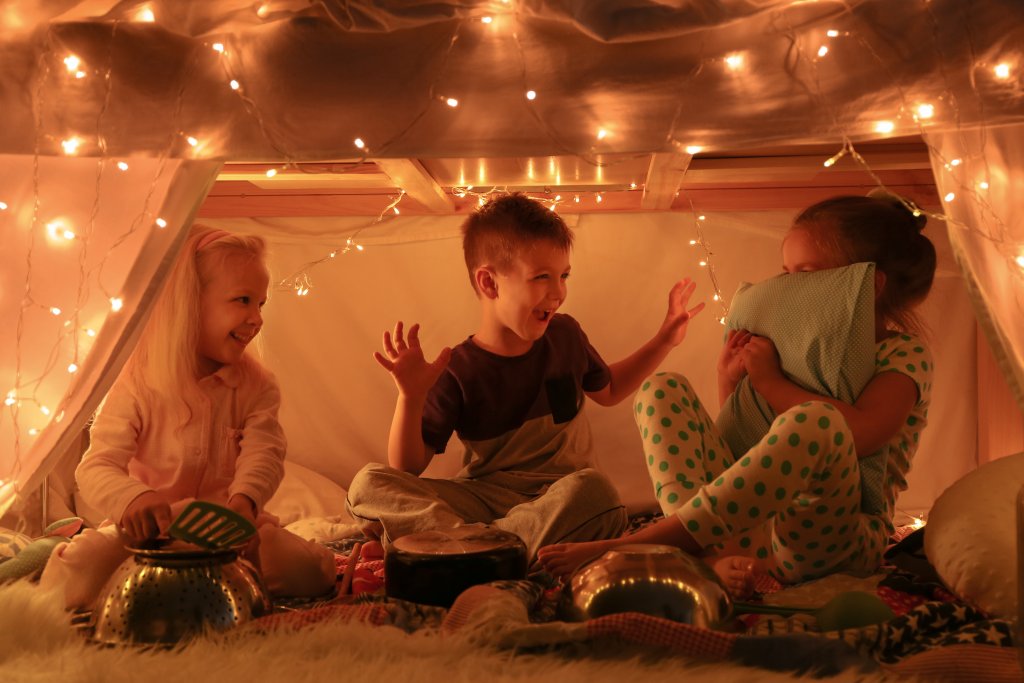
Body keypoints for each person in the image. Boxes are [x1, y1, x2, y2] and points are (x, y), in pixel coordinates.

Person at [538, 193, 937, 595]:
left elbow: (863, 435)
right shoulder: (790, 346)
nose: (787, 287)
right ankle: (704, 553)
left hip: (832, 538)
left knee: (815, 420)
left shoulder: (901, 354)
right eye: (786, 272)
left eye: (806, 273)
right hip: (746, 532)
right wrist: (730, 380)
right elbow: (748, 446)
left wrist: (771, 383)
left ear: (866, 287)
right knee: (661, 388)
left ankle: (648, 542)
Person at [345, 193, 705, 558]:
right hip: (485, 497)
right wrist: (410, 397)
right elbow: (406, 468)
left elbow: (609, 390)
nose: (558, 292)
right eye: (541, 277)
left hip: (561, 495)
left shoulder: (565, 336)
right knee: (368, 485)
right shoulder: (457, 369)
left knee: (599, 496)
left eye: (563, 275)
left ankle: (462, 548)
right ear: (489, 283)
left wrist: (664, 341)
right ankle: (489, 548)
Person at [40, 225, 336, 609]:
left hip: (230, 530)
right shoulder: (138, 382)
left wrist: (244, 505)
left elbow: (264, 452)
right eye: (242, 300)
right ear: (189, 303)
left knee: (301, 568)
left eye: (260, 304)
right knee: (79, 566)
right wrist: (134, 500)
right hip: (153, 535)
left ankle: (320, 558)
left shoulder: (257, 386)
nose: (256, 318)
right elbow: (96, 466)